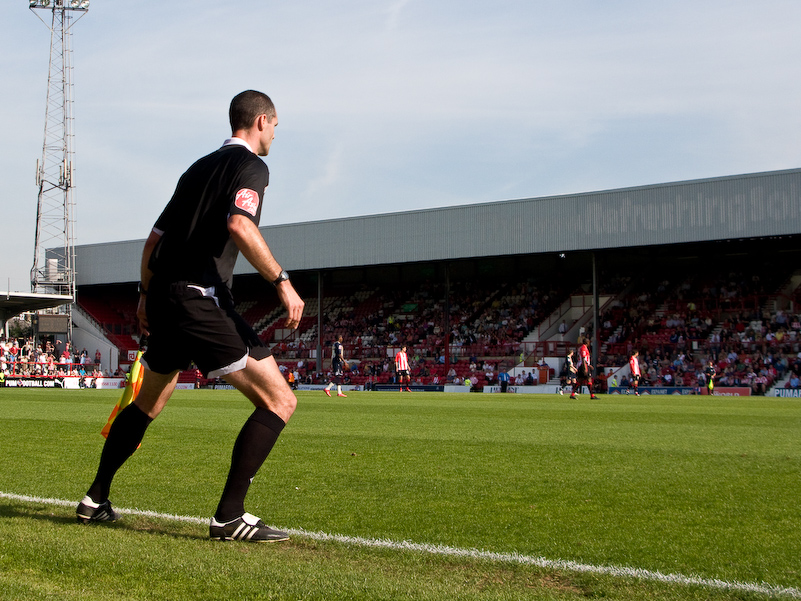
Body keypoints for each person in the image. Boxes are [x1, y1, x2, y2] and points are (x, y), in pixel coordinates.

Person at [75, 91, 305, 543]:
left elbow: (152, 242)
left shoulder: (196, 168)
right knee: (280, 400)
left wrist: (144, 297)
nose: (276, 134)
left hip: (164, 295)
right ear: (261, 121)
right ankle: (229, 516)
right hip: (198, 299)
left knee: (150, 400)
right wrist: (282, 281)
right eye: (276, 125)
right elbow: (240, 225)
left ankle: (94, 499)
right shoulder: (253, 167)